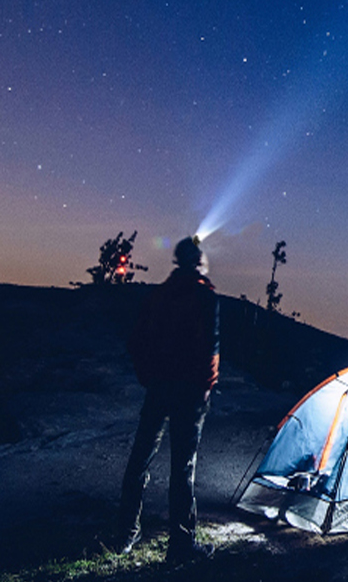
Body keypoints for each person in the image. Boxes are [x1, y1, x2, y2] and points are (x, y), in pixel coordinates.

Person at [116, 236, 219, 562]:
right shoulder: (205, 297)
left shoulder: (159, 295)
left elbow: (136, 340)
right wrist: (206, 386)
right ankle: (181, 544)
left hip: (159, 387)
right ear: (199, 261)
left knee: (140, 459)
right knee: (182, 467)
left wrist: (148, 377)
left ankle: (125, 534)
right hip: (189, 393)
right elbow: (210, 348)